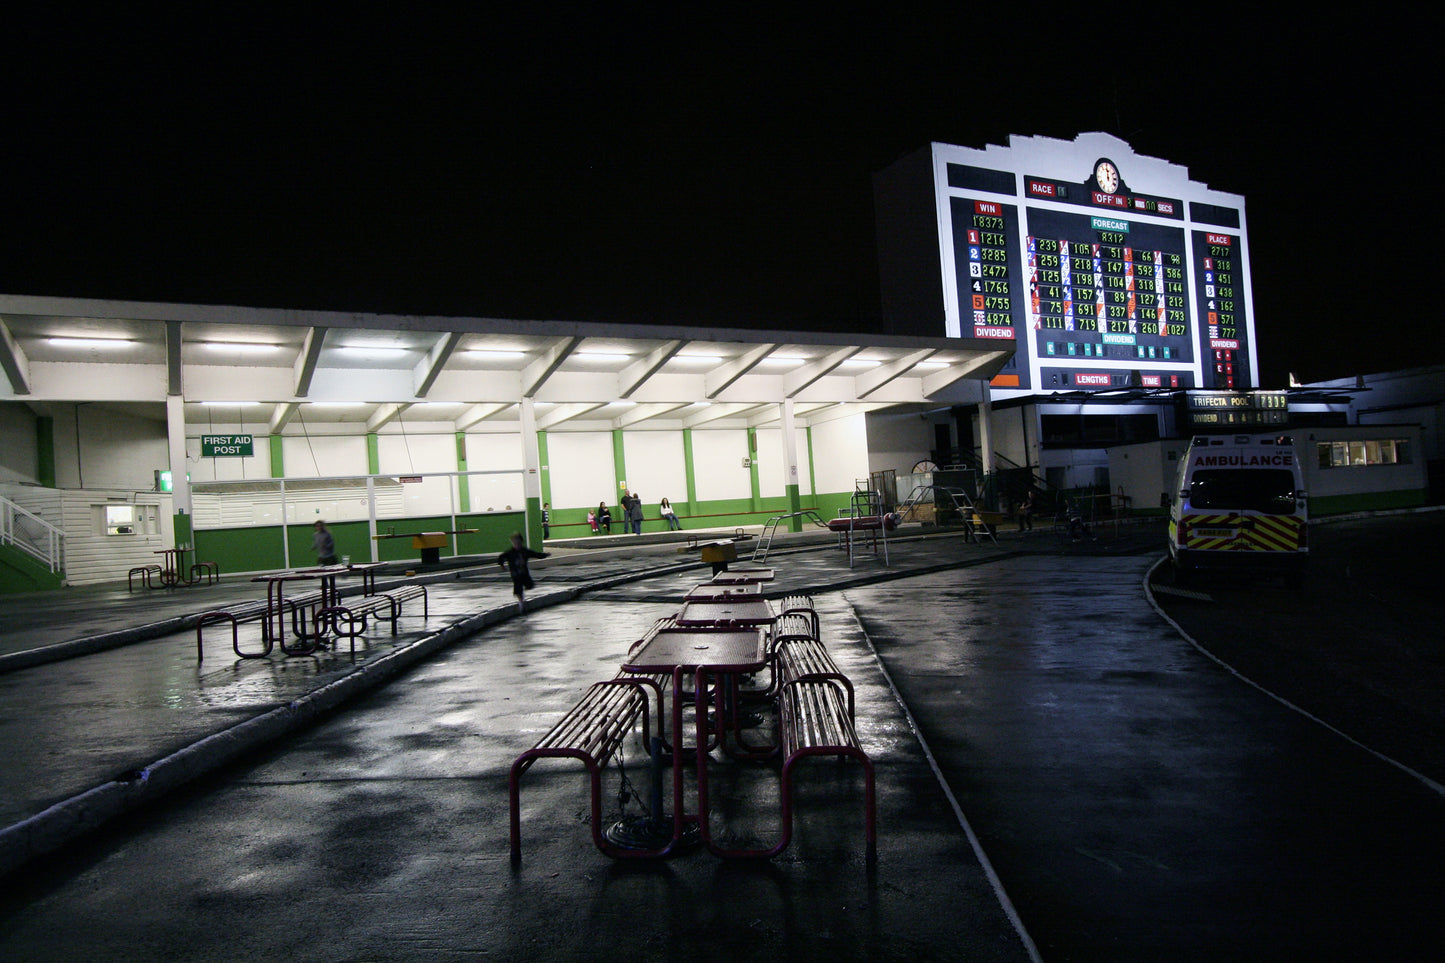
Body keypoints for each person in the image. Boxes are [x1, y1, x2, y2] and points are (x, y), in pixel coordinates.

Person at [497, 532, 549, 613]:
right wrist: (502, 565)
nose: (517, 545)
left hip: (524, 573)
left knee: (530, 585)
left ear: (521, 542)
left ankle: (522, 595)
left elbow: (535, 554)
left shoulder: (524, 551)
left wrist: (545, 555)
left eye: (518, 543)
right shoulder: (510, 552)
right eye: (515, 543)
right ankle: (521, 603)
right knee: (518, 587)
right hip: (515, 573)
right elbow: (501, 557)